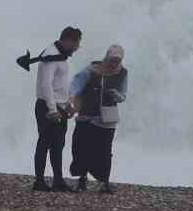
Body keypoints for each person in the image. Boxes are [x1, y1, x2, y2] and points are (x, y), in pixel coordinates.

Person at [68, 44, 129, 193]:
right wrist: (73, 101)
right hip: (87, 116)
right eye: (112, 59)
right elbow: (76, 85)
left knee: (105, 151)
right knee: (82, 148)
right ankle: (82, 179)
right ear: (107, 57)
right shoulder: (92, 70)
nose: (114, 63)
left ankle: (105, 182)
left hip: (107, 119)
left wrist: (115, 94)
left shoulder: (122, 73)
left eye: (117, 60)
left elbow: (123, 96)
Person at [28, 26, 81, 192]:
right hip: (47, 107)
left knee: (58, 145)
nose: (77, 48)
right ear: (67, 41)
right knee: (44, 143)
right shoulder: (50, 55)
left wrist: (67, 106)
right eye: (76, 44)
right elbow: (46, 85)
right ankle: (39, 181)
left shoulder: (61, 56)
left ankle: (58, 181)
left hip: (59, 106)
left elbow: (59, 86)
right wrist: (52, 110)